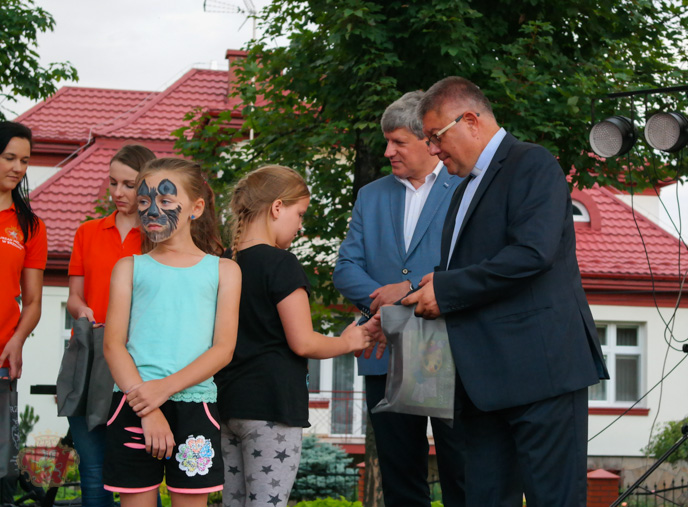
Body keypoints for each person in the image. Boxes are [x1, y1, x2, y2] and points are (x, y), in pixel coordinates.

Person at [403, 76, 610, 507]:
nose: (433, 150)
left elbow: (532, 253)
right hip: (482, 381)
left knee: (553, 500)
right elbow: (465, 270)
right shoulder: (462, 190)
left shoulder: (532, 163)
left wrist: (447, 287)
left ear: (471, 121)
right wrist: (413, 297)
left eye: (436, 137)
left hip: (541, 374)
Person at [333, 91, 465, 507]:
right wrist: (386, 303)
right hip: (384, 348)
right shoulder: (371, 195)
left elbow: (472, 267)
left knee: (462, 473)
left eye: (398, 142)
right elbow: (346, 268)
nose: (388, 151)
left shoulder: (466, 188)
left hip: (451, 348)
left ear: (428, 139)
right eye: (386, 141)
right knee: (399, 479)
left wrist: (407, 292)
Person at [217, 165, 376, 507]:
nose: (301, 226)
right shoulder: (281, 264)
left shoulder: (222, 263)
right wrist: (348, 342)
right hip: (272, 406)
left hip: (226, 404)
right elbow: (302, 341)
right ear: (277, 207)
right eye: (300, 214)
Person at [102, 158, 241, 507]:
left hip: (195, 408)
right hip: (134, 404)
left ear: (196, 207)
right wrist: (148, 408)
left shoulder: (225, 271)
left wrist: (163, 389)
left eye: (165, 200)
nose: (152, 210)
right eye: (144, 200)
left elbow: (223, 349)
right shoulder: (128, 268)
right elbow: (113, 345)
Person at [66, 144, 156, 507]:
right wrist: (82, 310)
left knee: (141, 475)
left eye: (129, 185)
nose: (118, 192)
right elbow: (74, 297)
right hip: (89, 359)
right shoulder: (87, 232)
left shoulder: (158, 238)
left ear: (147, 186)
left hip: (139, 365)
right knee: (93, 472)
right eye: (113, 182)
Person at [0, 121, 45, 381]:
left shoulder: (31, 226)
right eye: (9, 158)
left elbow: (33, 302)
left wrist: (18, 340)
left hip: (2, 359)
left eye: (24, 161)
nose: (18, 168)